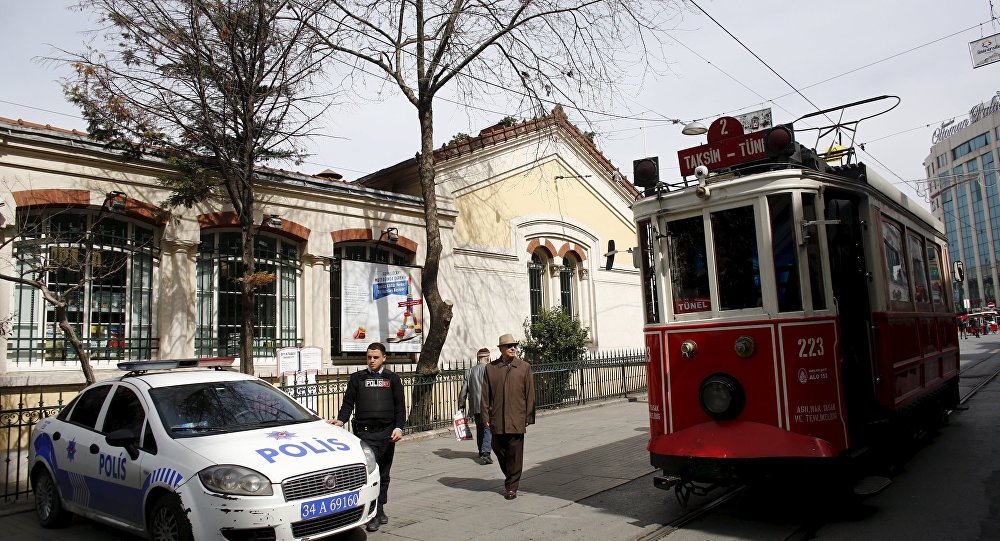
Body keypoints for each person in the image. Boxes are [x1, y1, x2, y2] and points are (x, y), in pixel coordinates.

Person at [330, 342, 404, 532]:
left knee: (384, 475)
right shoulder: (357, 378)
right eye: (369, 357)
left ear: (384, 358)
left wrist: (399, 427)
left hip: (387, 435)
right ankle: (373, 513)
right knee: (371, 475)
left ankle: (380, 509)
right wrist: (340, 420)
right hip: (365, 434)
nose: (371, 360)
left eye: (375, 357)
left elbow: (400, 407)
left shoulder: (393, 379)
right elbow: (348, 403)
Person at [481, 333, 536, 500]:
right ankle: (511, 475)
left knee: (515, 453)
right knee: (498, 449)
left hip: (517, 417)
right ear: (501, 349)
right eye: (509, 346)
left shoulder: (524, 367)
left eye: (515, 346)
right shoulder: (491, 368)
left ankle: (512, 486)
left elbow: (530, 393)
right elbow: (485, 394)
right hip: (497, 418)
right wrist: (485, 417)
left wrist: (529, 416)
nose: (513, 348)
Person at [458, 347, 493, 464]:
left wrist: (461, 404)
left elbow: (463, 390)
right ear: (488, 358)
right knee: (488, 428)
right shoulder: (491, 370)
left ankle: (480, 450)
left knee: (480, 428)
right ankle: (486, 452)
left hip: (476, 406)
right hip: (488, 405)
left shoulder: (470, 371)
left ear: (478, 358)